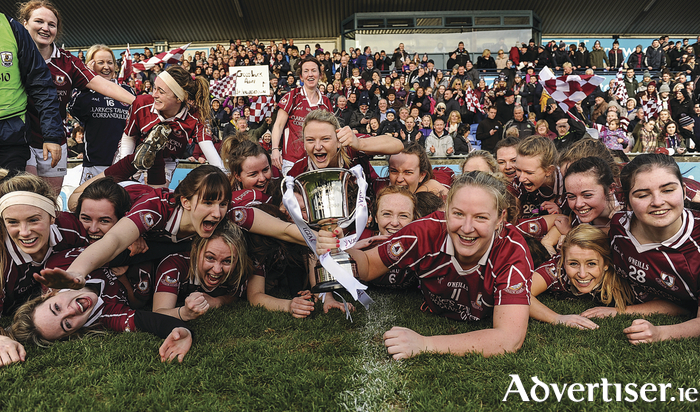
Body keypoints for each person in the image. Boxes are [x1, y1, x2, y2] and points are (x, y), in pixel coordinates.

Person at [318, 172, 532, 359]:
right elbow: (368, 264)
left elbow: (508, 339)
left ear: (499, 219)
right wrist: (337, 249)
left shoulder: (512, 251)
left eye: (481, 217)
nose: (467, 228)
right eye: (458, 214)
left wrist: (425, 344)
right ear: (446, 210)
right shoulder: (425, 232)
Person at [582, 154, 700, 344]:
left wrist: (660, 333)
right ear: (627, 202)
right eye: (642, 195)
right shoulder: (619, 224)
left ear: (684, 191)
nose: (657, 201)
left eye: (668, 190)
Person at [20, 1, 135, 193]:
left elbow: (102, 84)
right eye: (39, 21)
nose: (45, 28)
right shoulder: (13, 57)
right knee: (27, 196)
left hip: (56, 142)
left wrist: (141, 103)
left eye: (52, 24)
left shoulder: (67, 62)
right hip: (22, 140)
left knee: (50, 200)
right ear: (25, 24)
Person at [10, 255, 193, 363]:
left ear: (49, 295)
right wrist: (182, 331)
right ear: (74, 333)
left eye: (56, 308)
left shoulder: (57, 265)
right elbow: (151, 321)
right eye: (67, 324)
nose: (71, 311)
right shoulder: (108, 316)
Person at [108, 65, 224, 187]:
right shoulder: (142, 103)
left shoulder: (196, 117)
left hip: (166, 160)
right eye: (154, 88)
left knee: (153, 197)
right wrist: (126, 167)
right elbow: (129, 136)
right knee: (118, 191)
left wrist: (225, 179)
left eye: (161, 91)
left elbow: (211, 153)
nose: (154, 95)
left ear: (179, 98)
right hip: (134, 152)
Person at [530, 225, 632, 329]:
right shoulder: (555, 269)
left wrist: (618, 311)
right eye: (573, 264)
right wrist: (556, 318)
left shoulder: (622, 272)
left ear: (606, 263)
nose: (582, 274)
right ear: (563, 261)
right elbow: (521, 293)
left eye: (591, 264)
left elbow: (649, 303)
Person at [0, 10, 62, 178]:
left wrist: (51, 136)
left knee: (11, 199)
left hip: (10, 137)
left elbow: (42, 86)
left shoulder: (12, 28)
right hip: (12, 134)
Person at [152, 222, 249, 321]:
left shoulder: (239, 269)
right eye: (210, 257)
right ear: (195, 249)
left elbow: (235, 295)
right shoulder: (175, 265)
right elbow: (158, 314)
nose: (217, 269)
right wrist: (184, 313)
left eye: (227, 261)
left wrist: (218, 301)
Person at [67, 44, 133, 183]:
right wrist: (86, 80)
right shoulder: (83, 91)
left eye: (110, 62)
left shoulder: (128, 91)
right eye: (100, 62)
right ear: (90, 64)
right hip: (95, 165)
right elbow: (75, 110)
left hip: (124, 165)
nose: (106, 67)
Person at [287, 109, 402, 181]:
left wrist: (360, 143)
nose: (317, 146)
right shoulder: (298, 171)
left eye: (325, 139)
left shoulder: (352, 149)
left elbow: (397, 145)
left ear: (338, 141)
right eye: (310, 140)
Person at [271, 56, 332, 174]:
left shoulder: (326, 102)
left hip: (318, 161)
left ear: (320, 75)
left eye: (314, 71)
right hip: (292, 161)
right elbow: (278, 126)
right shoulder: (291, 96)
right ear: (301, 76)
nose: (310, 74)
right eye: (306, 71)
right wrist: (274, 149)